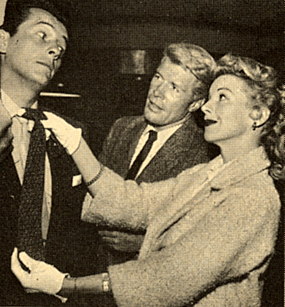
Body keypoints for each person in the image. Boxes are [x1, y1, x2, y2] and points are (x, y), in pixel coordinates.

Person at [12, 54, 285, 306]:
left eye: (222, 98)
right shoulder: (206, 175)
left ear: (258, 115)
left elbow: (169, 277)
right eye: (210, 97)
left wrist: (65, 284)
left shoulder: (252, 198)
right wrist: (75, 145)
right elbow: (136, 202)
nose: (206, 109)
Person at [0, 0, 105, 305]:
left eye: (61, 46)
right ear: (4, 40)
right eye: (42, 36)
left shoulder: (72, 135)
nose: (55, 50)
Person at [98, 43, 219, 264]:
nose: (157, 92)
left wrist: (144, 243)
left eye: (174, 88)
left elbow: (197, 239)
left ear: (195, 104)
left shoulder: (204, 155)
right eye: (158, 77)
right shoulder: (121, 128)